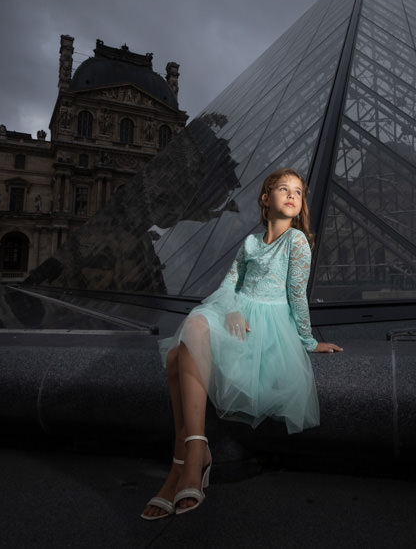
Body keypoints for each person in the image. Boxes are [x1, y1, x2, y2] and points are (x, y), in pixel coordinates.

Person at [141, 168, 342, 520]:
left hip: (266, 325)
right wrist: (231, 309)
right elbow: (227, 286)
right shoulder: (250, 243)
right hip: (238, 315)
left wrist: (308, 342)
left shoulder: (296, 242)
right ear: (266, 199)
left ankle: (184, 461)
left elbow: (297, 297)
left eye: (299, 191)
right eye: (283, 188)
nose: (293, 195)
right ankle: (194, 454)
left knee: (178, 354)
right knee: (194, 328)